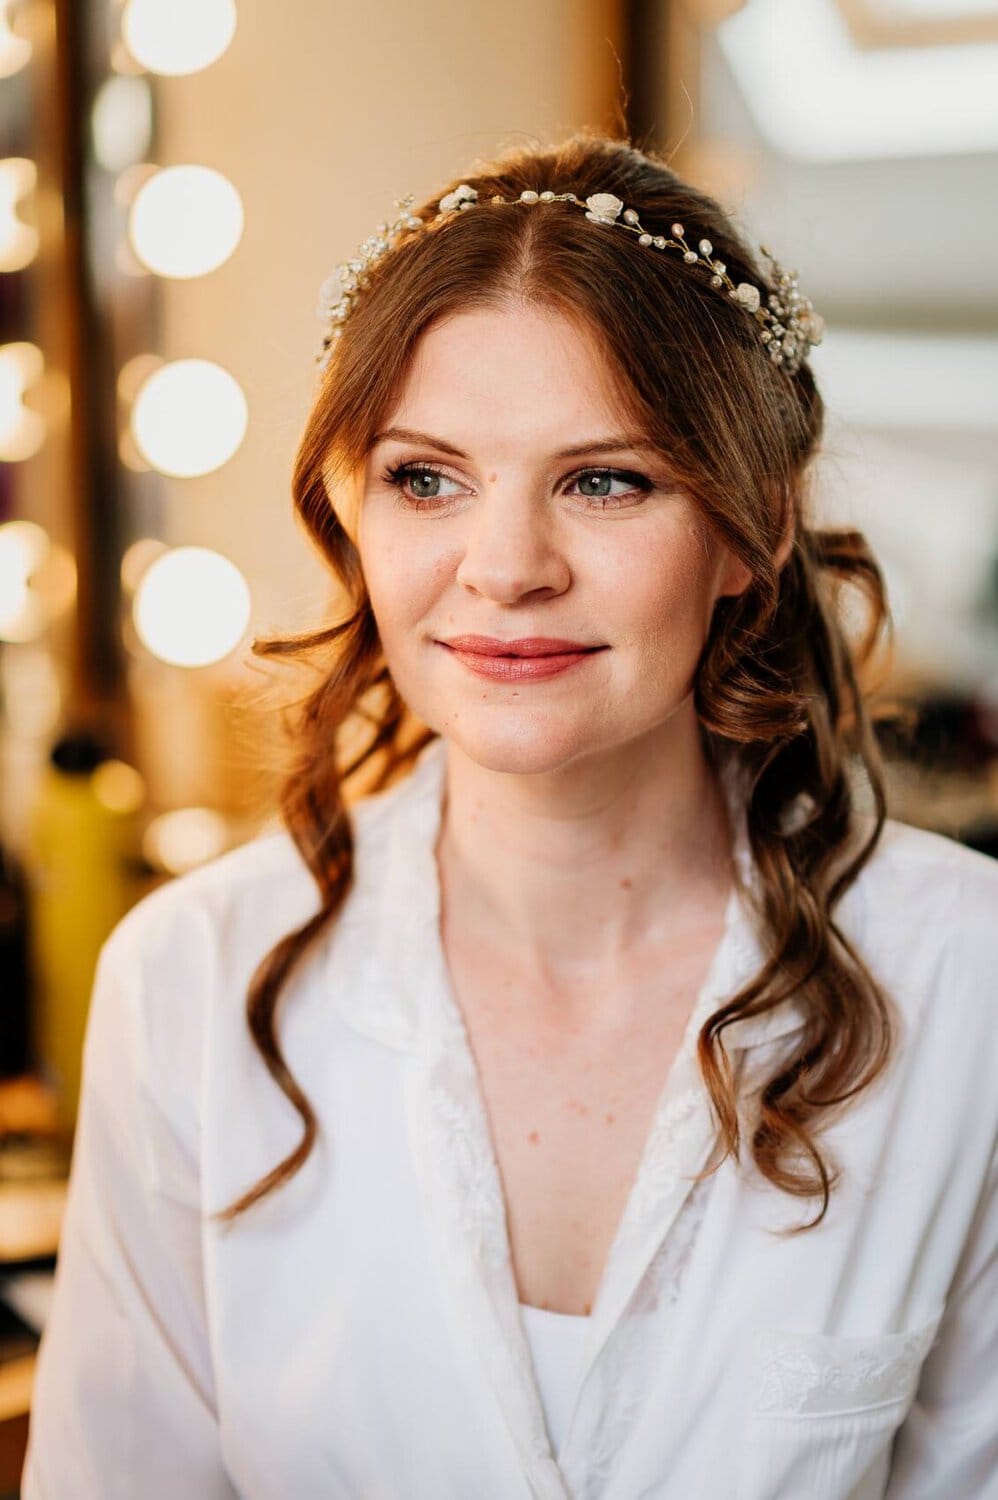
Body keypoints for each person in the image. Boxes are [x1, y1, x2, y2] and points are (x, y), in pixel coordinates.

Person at [21, 132, 998, 1500]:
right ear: (350, 506)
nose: (505, 569)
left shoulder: (965, 977)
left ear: (752, 527)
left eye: (606, 479)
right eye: (427, 477)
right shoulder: (189, 978)